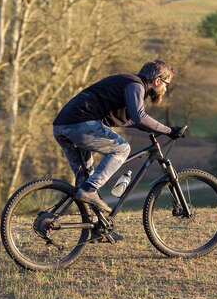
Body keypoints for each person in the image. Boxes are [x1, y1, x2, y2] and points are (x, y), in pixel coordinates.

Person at [52, 59, 183, 214]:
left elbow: (128, 119)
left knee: (85, 180)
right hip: (80, 123)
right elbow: (139, 117)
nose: (165, 89)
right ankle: (90, 189)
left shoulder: (127, 82)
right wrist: (168, 130)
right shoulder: (136, 85)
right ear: (157, 81)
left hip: (61, 126)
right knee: (122, 149)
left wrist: (154, 128)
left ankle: (95, 229)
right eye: (166, 84)